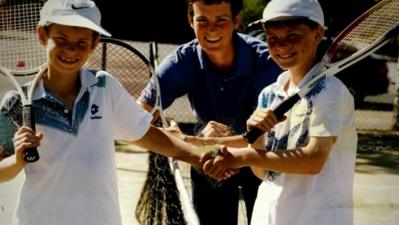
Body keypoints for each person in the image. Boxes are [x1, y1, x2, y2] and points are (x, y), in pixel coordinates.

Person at [0, 1, 219, 225]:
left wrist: (202, 157)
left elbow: (149, 135)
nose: (71, 50)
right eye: (61, 39)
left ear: (95, 43)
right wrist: (17, 161)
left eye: (82, 43)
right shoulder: (17, 103)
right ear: (42, 35)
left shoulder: (104, 87)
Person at [202, 0, 358, 225]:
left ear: (318, 33)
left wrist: (245, 156)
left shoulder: (330, 91)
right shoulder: (270, 93)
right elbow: (263, 173)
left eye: (292, 36)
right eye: (273, 39)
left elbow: (313, 159)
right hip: (269, 216)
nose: (282, 46)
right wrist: (255, 142)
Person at [137, 0, 282, 224]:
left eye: (221, 20)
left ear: (236, 21)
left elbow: (265, 135)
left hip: (260, 152)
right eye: (202, 20)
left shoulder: (265, 61)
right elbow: (137, 116)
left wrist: (192, 140)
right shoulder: (182, 60)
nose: (211, 29)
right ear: (190, 21)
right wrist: (168, 124)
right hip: (209, 155)